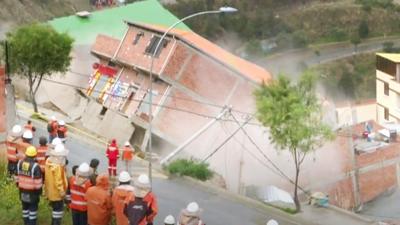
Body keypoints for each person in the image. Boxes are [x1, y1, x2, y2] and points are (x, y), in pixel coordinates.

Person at [16, 146, 43, 225]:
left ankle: (26, 223)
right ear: (35, 155)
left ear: (26, 154)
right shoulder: (35, 166)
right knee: (32, 211)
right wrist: (39, 192)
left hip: (22, 191)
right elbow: (38, 183)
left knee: (25, 209)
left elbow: (16, 177)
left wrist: (19, 186)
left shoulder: (19, 163)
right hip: (32, 192)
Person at [45, 144, 69, 225]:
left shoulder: (48, 161)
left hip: (50, 190)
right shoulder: (57, 166)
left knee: (54, 210)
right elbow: (58, 181)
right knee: (58, 212)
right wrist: (62, 192)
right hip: (57, 193)